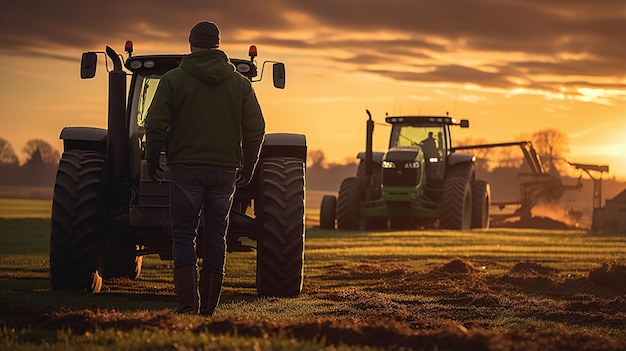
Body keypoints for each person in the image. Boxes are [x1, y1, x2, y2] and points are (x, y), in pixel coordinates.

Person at [144, 21, 265, 316]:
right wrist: (248, 166)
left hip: (185, 168)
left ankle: (187, 306)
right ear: (218, 46)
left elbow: (155, 123)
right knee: (215, 235)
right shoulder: (240, 84)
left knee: (184, 234)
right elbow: (256, 129)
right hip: (225, 171)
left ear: (191, 45)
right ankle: (208, 309)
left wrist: (151, 159)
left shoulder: (173, 80)